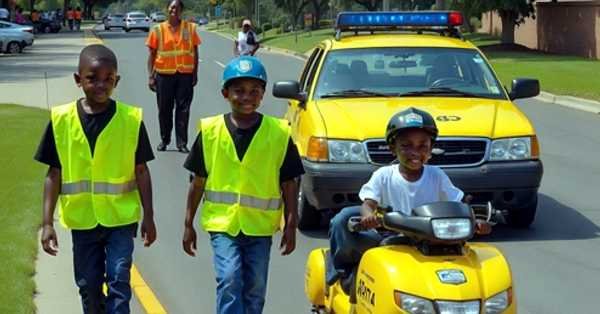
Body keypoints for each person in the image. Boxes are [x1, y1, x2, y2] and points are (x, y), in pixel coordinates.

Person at [36, 44, 157, 314]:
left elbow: (141, 171)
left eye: (108, 79)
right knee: (89, 286)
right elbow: (53, 174)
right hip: (83, 222)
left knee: (118, 280)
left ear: (117, 81)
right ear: (78, 80)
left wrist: (149, 216)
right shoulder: (61, 120)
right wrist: (47, 223)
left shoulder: (130, 119)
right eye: (92, 78)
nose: (101, 84)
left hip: (121, 220)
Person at [182, 56, 304, 314]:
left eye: (254, 91)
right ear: (225, 93)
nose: (246, 97)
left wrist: (291, 223)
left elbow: (289, 183)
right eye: (239, 91)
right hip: (222, 224)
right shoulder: (211, 131)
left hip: (259, 226)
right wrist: (188, 223)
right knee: (229, 278)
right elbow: (198, 181)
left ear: (262, 95)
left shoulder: (279, 133)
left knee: (255, 287)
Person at [327, 107, 492, 291]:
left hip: (431, 239)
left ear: (431, 149)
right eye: (406, 145)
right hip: (388, 237)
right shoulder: (383, 175)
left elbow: (458, 204)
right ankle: (343, 273)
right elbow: (368, 203)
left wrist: (475, 221)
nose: (415, 152)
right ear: (392, 148)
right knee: (342, 219)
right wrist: (368, 217)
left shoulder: (436, 175)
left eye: (423, 146)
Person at [146, 0, 201, 153]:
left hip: (185, 75)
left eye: (177, 8)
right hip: (164, 75)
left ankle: (182, 143)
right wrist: (151, 76)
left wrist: (195, 73)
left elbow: (195, 52)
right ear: (167, 9)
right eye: (171, 7)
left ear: (181, 11)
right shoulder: (158, 29)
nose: (174, 10)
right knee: (164, 109)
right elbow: (151, 54)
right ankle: (164, 140)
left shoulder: (190, 28)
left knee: (183, 110)